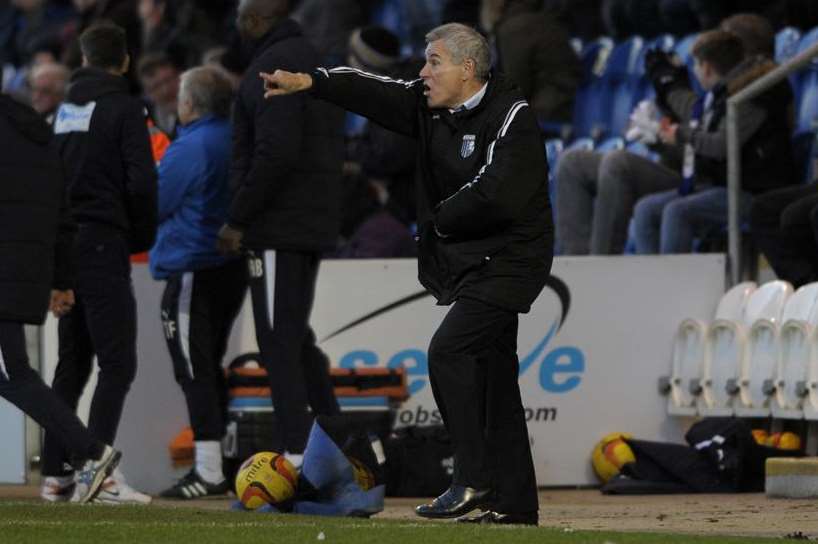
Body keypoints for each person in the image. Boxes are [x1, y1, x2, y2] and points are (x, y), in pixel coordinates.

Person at [260, 21, 551, 526]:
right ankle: (516, 503)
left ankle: (471, 479)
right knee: (494, 379)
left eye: (434, 62)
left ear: (467, 68)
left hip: (510, 260)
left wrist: (436, 219)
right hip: (471, 262)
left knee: (449, 352)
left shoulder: (513, 117)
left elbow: (495, 193)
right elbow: (374, 90)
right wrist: (315, 82)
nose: (423, 72)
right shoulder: (427, 103)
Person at [216, 0, 343, 467]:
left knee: (278, 341)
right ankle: (336, 444)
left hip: (277, 225)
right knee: (295, 337)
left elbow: (275, 151)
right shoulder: (315, 58)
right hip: (310, 219)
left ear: (252, 21)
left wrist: (239, 218)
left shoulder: (270, 66)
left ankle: (296, 452)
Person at [40, 23, 157, 504]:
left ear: (83, 60)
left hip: (65, 247)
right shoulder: (126, 109)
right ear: (125, 62)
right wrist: (140, 236)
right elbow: (142, 182)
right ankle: (98, 473)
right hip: (105, 244)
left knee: (72, 364)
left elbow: (46, 185)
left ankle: (55, 475)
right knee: (117, 362)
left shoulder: (61, 113)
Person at [0, 92, 120, 504]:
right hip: (24, 272)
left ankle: (91, 451)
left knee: (12, 372)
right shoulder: (37, 134)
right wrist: (60, 279)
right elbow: (62, 214)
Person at [152, 66, 248, 499]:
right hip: (229, 267)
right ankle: (217, 462)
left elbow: (156, 202)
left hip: (193, 264)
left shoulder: (190, 147)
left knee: (195, 368)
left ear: (189, 103)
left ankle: (209, 469)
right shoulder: (234, 138)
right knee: (207, 365)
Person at [632, 30, 794, 253]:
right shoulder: (721, 94)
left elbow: (720, 146)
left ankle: (671, 284)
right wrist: (663, 141)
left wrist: (681, 134)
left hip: (754, 191)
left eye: (696, 66)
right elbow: (704, 146)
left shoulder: (751, 94)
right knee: (646, 209)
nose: (696, 72)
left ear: (706, 67)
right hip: (722, 184)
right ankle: (647, 282)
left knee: (677, 212)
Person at [481, 0, 582, 125]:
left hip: (551, 113)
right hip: (560, 107)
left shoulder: (516, 28)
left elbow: (517, 89)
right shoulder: (534, 19)